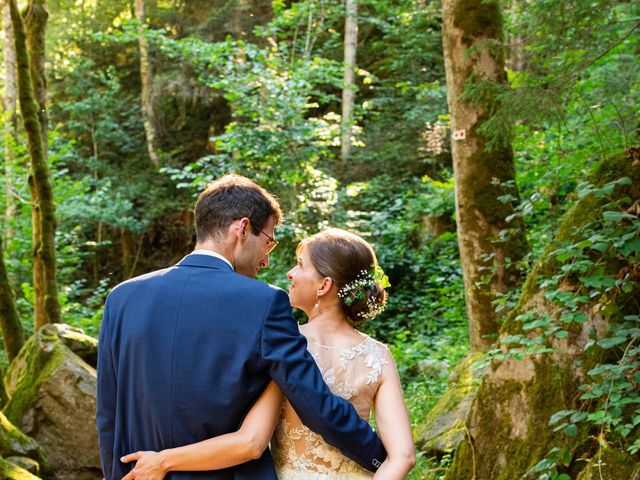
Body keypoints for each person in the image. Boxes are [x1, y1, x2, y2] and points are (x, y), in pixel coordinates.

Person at [96, 175, 387, 480]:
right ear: (243, 228)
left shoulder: (122, 298)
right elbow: (315, 404)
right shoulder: (264, 302)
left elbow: (108, 414)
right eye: (268, 242)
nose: (265, 261)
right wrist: (381, 456)